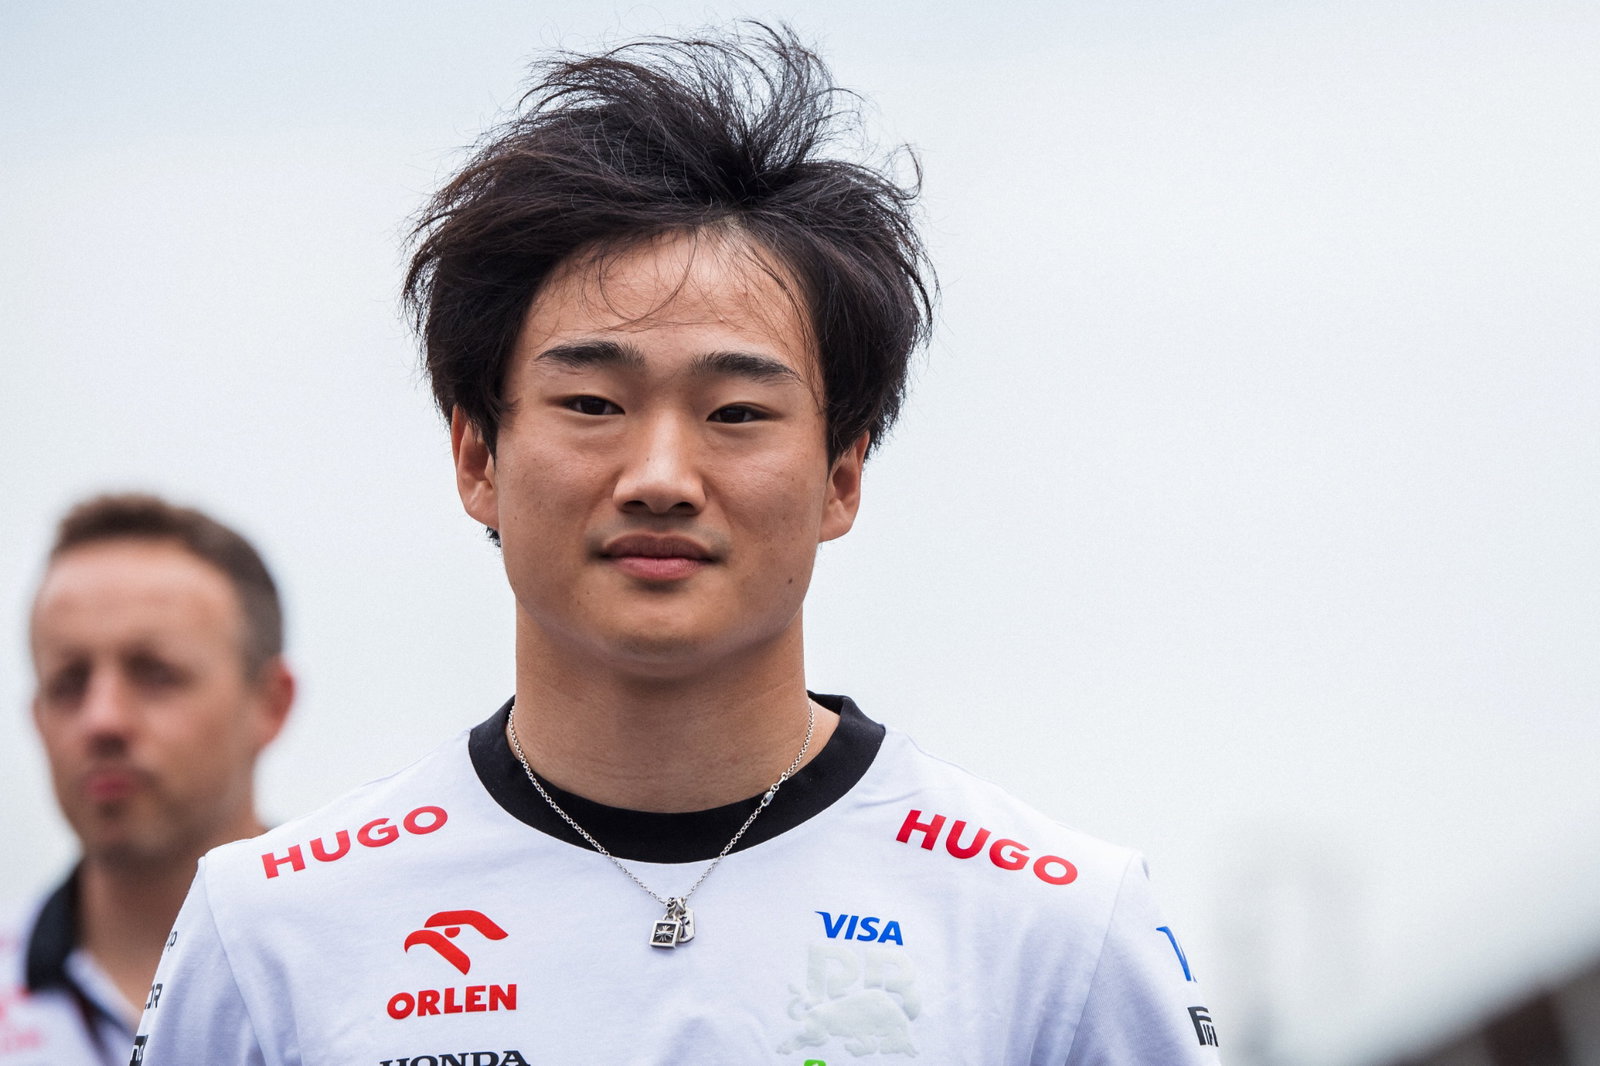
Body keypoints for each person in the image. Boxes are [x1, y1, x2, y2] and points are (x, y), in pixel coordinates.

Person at [133, 24, 1223, 1063]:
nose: (659, 477)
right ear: (477, 457)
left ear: (842, 472)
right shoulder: (271, 927)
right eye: (593, 402)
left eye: (737, 413)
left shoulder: (1056, 926)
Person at [0, 494, 294, 1066]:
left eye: (155, 673)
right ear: (36, 718)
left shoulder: (383, 978)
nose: (101, 719)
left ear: (270, 703)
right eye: (68, 681)